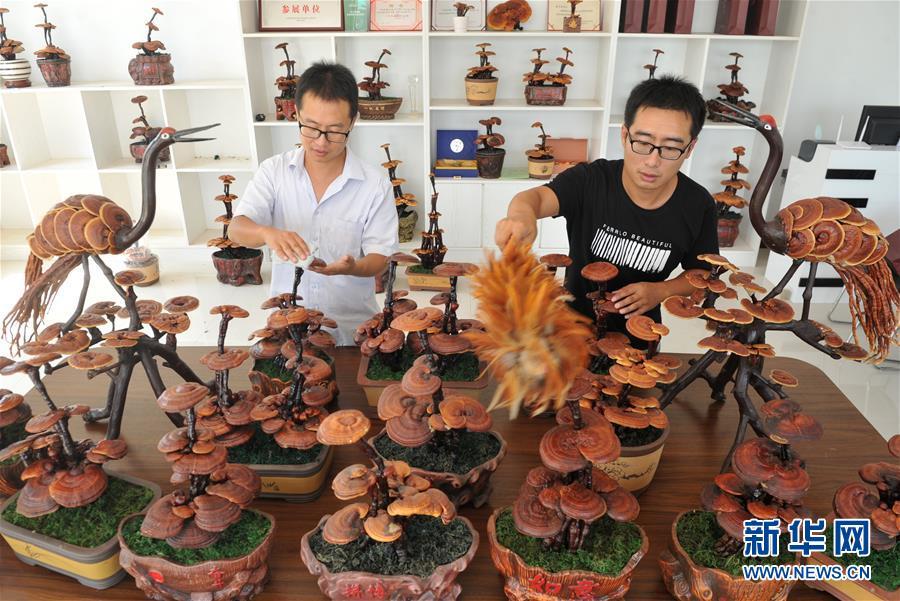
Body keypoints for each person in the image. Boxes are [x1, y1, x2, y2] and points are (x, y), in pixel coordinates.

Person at [495, 75, 718, 338]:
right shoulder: (591, 180)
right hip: (571, 329)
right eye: (642, 143)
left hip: (640, 335)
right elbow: (536, 199)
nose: (652, 161)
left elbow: (702, 273)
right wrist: (522, 216)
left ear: (690, 148)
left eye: (670, 148)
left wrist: (661, 291)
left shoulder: (698, 205)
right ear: (624, 135)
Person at [229, 61, 398, 345]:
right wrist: (266, 233)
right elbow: (236, 229)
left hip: (352, 331)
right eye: (310, 127)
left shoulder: (375, 184)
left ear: (352, 122)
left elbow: (380, 258)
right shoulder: (274, 171)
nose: (321, 142)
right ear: (296, 114)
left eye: (334, 131)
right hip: (288, 326)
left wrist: (352, 268)